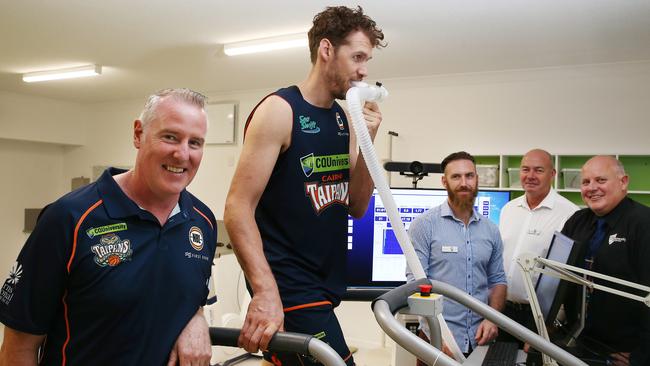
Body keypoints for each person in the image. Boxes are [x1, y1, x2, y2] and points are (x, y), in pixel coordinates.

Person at [0, 89, 217, 366]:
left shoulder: (202, 222)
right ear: (138, 134)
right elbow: (19, 346)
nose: (182, 153)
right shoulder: (69, 218)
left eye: (195, 142)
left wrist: (197, 317)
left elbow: (193, 293)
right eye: (170, 137)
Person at [223, 6, 385, 366]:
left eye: (367, 60)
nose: (364, 70)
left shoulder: (342, 118)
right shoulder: (280, 110)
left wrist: (368, 138)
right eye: (357, 56)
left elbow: (356, 206)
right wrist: (264, 293)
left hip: (324, 285)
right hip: (288, 286)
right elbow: (237, 208)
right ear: (326, 50)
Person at [406, 151, 507, 361]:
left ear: (477, 179)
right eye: (456, 177)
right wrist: (437, 333)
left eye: (469, 176)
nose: (464, 183)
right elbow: (416, 284)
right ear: (444, 181)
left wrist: (492, 320)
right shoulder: (424, 226)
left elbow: (497, 280)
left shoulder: (491, 230)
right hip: (437, 340)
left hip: (480, 339)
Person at [559, 156, 649, 366]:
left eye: (600, 180)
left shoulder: (643, 224)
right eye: (585, 182)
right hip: (580, 343)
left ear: (623, 182)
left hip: (624, 351)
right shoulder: (577, 221)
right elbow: (558, 278)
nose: (592, 188)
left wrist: (643, 356)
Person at [498, 149, 578, 337]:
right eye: (526, 169)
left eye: (538, 170)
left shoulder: (570, 214)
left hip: (539, 317)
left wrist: (553, 322)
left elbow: (568, 274)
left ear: (552, 174)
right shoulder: (509, 209)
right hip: (503, 310)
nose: (530, 176)